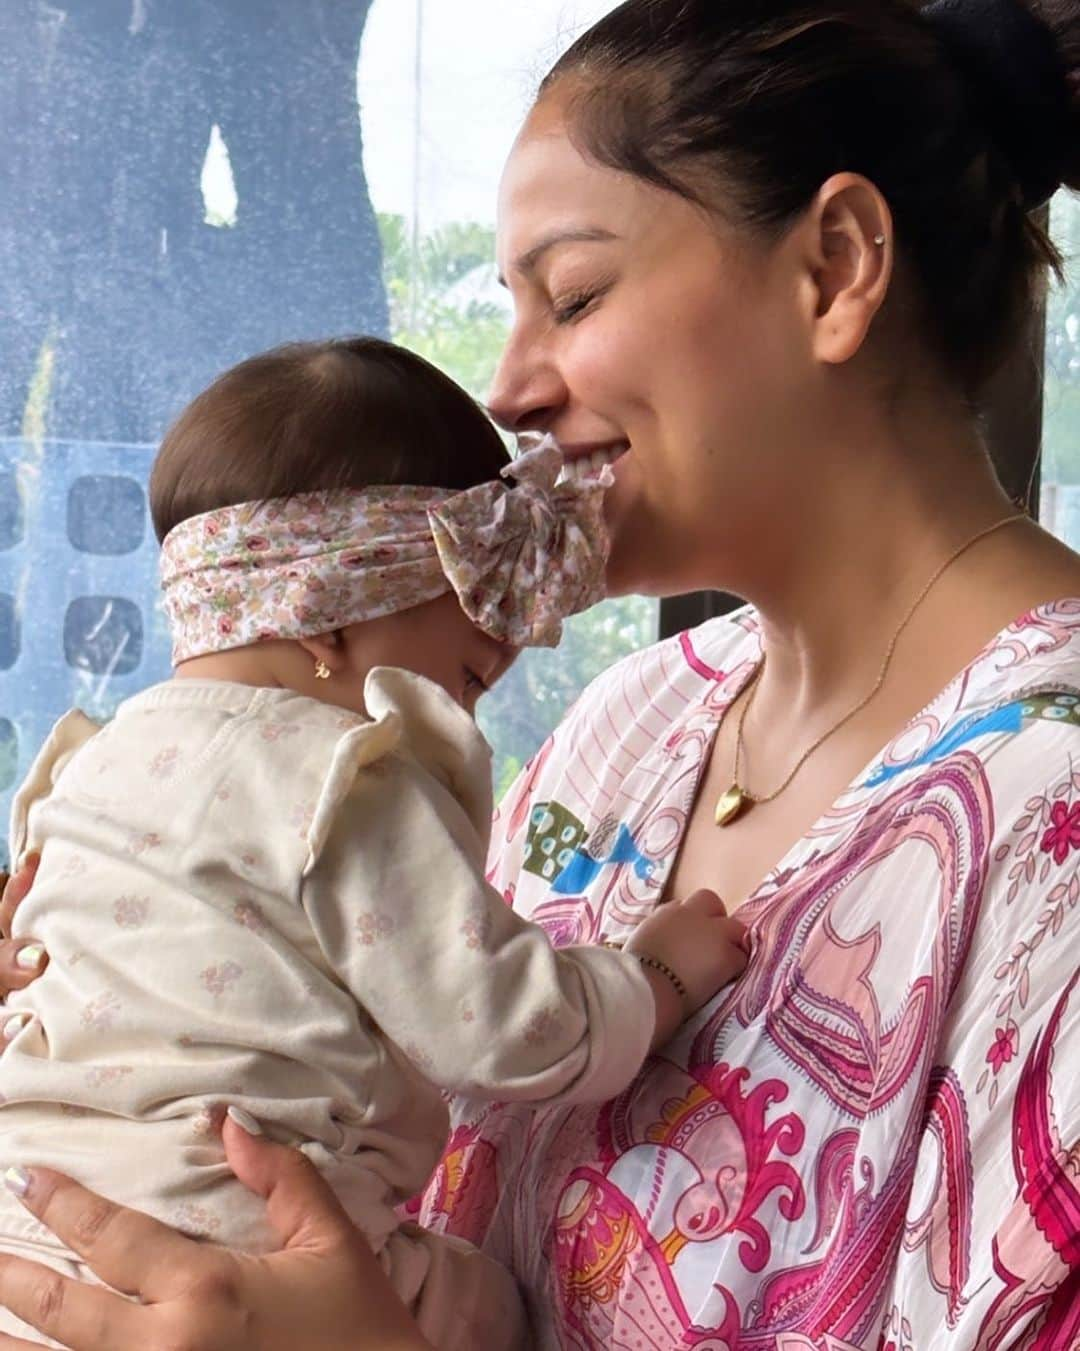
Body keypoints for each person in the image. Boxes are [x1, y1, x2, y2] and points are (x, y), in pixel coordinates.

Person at [0, 0, 1077, 1344]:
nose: (507, 390)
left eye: (573, 294)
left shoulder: (1056, 821)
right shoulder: (630, 727)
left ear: (837, 266)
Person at [0, 336, 748, 1349]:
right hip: (238, 1233)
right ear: (329, 615)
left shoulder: (86, 762)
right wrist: (653, 974)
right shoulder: (348, 779)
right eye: (472, 660)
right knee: (491, 1304)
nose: (496, 671)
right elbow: (504, 1025)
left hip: (32, 1224)